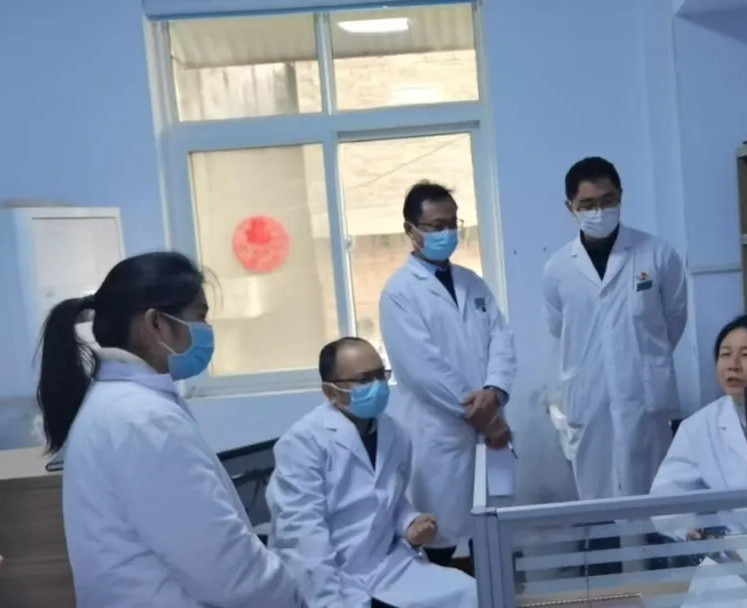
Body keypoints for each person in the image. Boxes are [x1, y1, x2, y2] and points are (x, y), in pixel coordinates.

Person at [36, 251, 302, 607]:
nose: (206, 330)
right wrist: (292, 594)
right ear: (156, 324)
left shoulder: (122, 405)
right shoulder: (142, 419)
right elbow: (222, 566)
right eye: (200, 316)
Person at [543, 156, 688, 572]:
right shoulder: (557, 269)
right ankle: (615, 583)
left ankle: (656, 583)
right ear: (570, 207)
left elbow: (673, 321)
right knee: (601, 504)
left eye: (607, 200)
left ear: (621, 196)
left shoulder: (657, 254)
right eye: (587, 204)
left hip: (645, 398)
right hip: (590, 401)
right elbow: (559, 330)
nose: (599, 211)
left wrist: (642, 363)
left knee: (654, 499)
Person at [267, 337, 478, 608]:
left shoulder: (395, 434)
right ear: (331, 392)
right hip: (330, 574)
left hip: (388, 566)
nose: (377, 386)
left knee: (472, 593)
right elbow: (303, 537)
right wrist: (329, 602)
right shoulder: (302, 443)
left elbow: (391, 500)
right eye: (365, 379)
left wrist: (409, 524)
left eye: (381, 375)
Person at [380, 181, 516, 568]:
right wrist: (486, 418)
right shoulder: (399, 293)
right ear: (410, 230)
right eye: (435, 226)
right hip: (439, 433)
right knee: (438, 535)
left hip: (490, 424)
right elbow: (424, 370)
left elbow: (501, 340)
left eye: (452, 223)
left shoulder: (473, 282)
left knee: (491, 530)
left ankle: (490, 594)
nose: (447, 233)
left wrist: (495, 390)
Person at [649, 314, 747, 607]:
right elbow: (663, 498)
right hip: (732, 563)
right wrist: (689, 527)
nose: (733, 365)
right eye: (725, 354)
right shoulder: (698, 427)